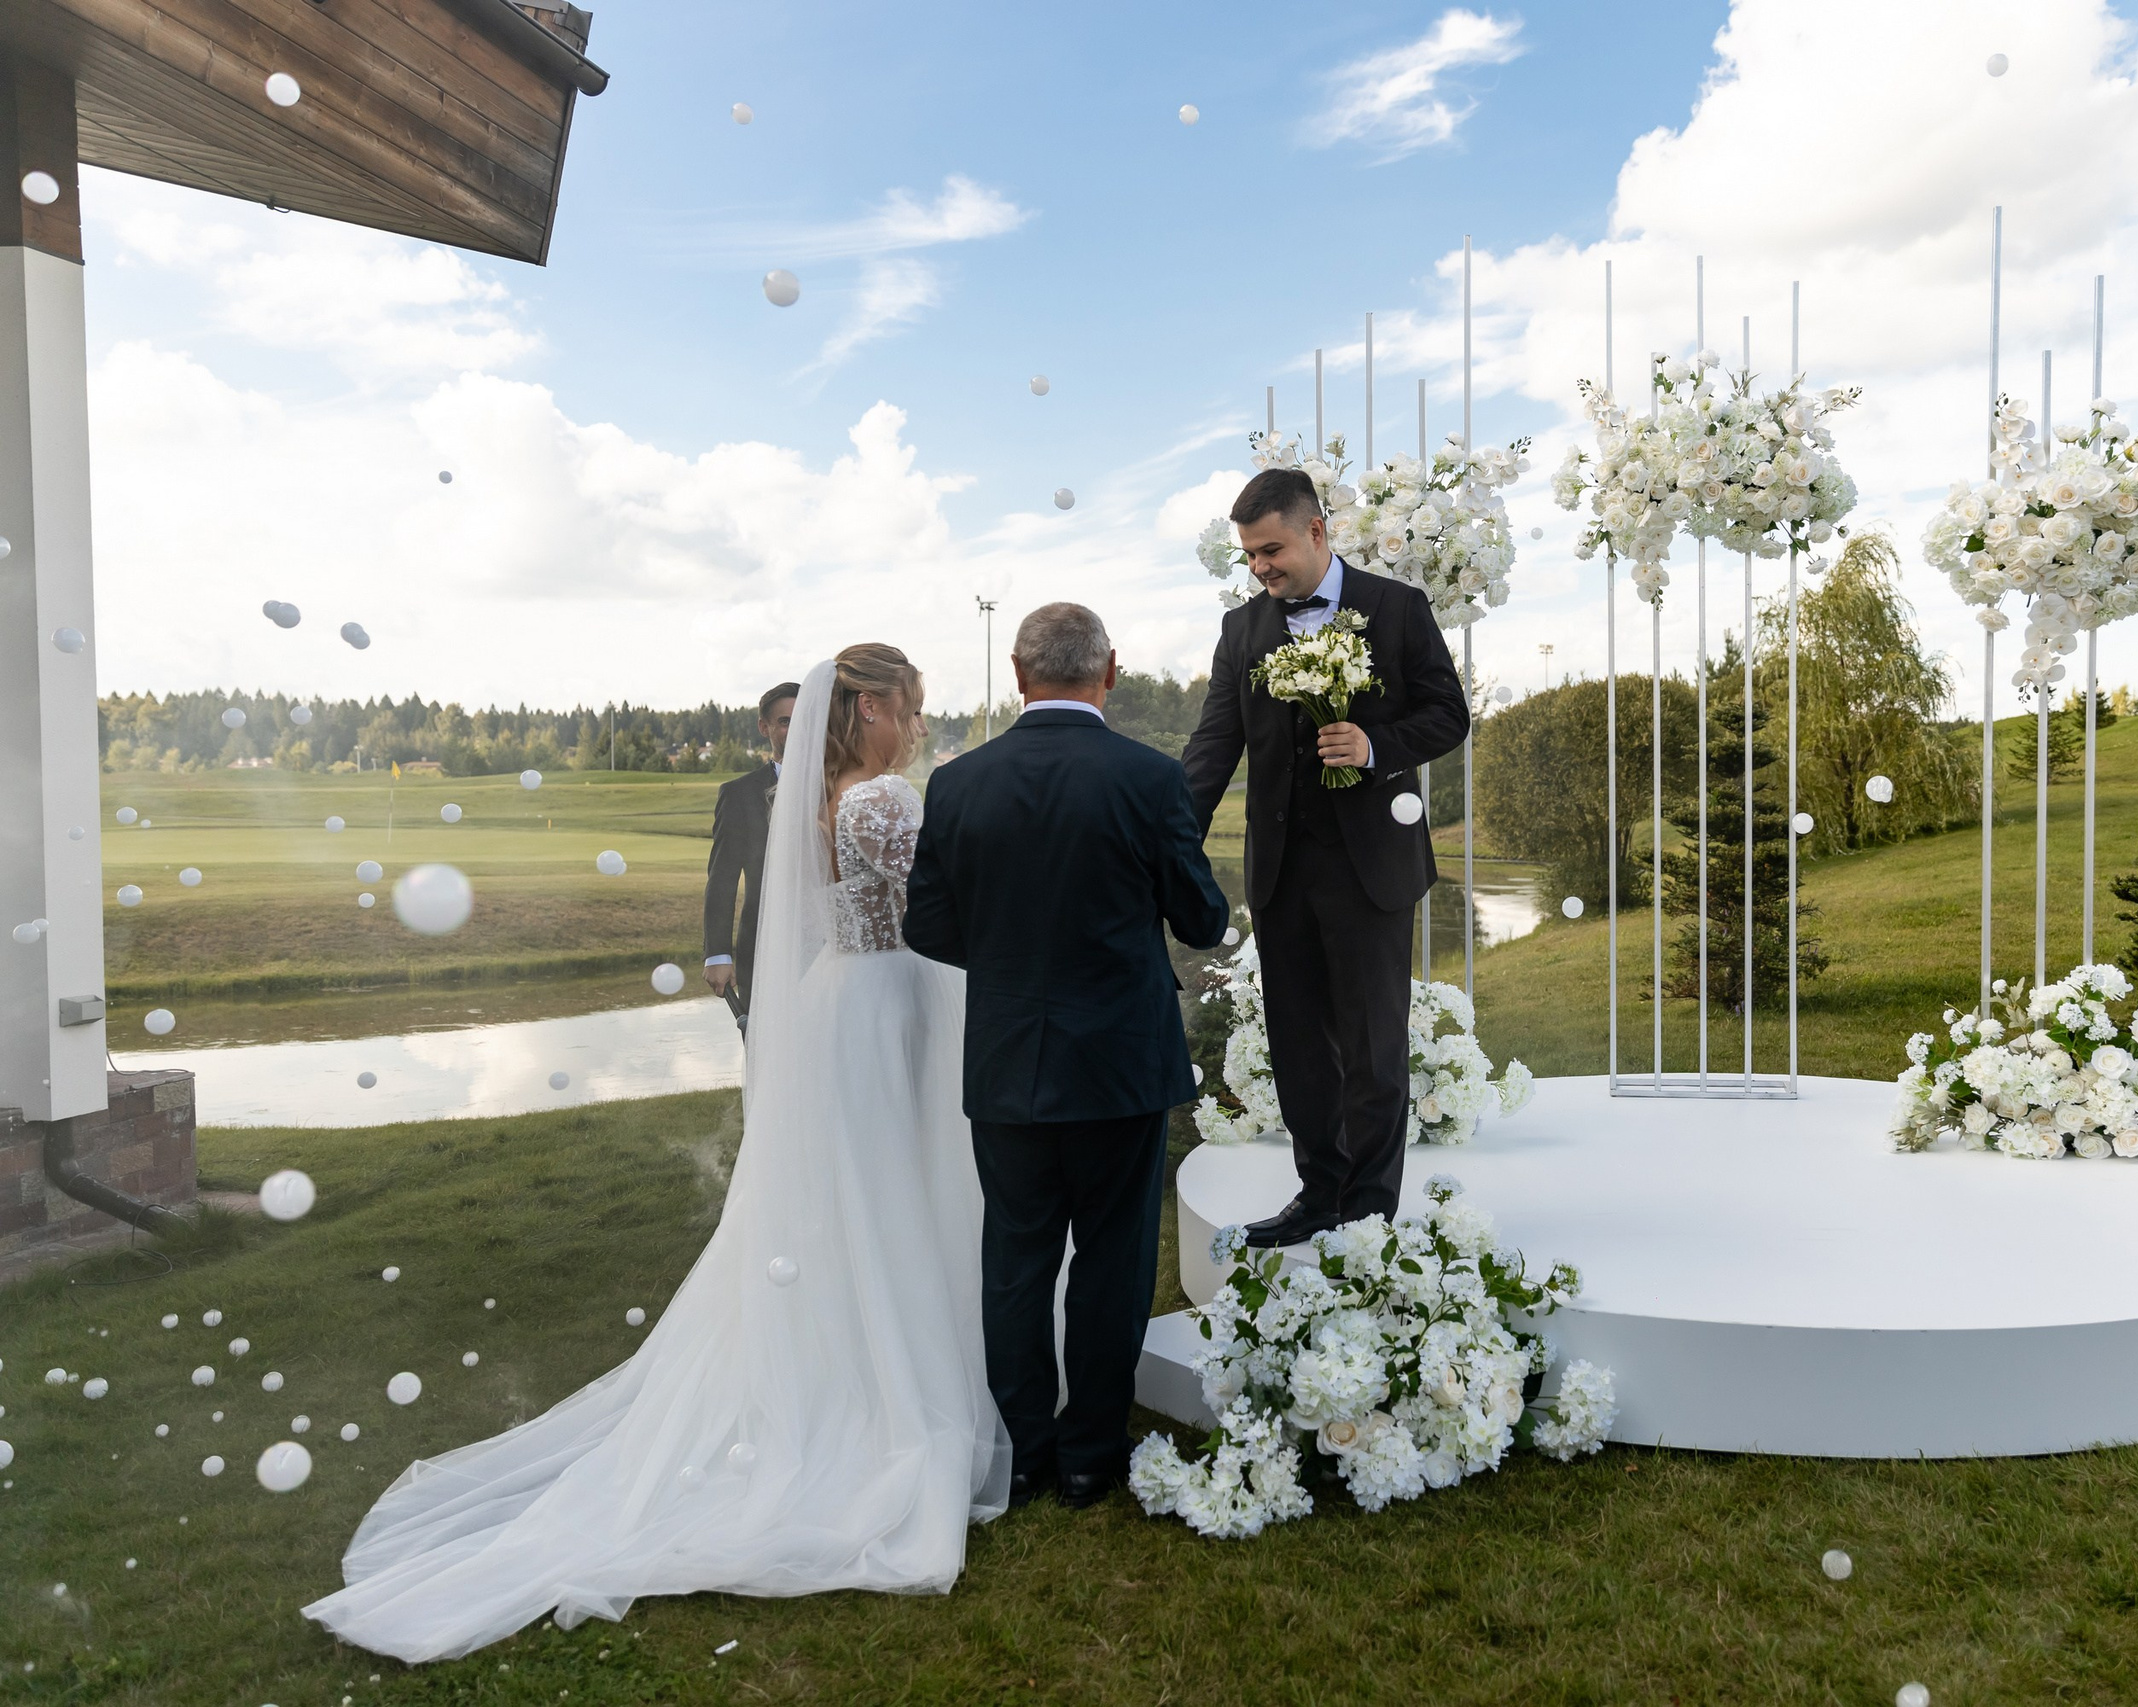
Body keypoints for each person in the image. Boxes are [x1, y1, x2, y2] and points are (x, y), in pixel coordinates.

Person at [304, 646, 1007, 1662]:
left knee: (855, 1194)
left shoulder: (818, 796)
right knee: (901, 1184)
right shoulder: (886, 799)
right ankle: (905, 1383)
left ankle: (861, 1351)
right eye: (913, 705)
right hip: (896, 995)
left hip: (838, 1001)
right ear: (874, 709)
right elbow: (937, 912)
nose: (922, 722)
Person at [906, 602, 1228, 1510]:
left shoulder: (958, 782)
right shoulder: (1149, 777)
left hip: (1008, 1058)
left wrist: (1014, 965)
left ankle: (1026, 1450)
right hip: (1122, 1064)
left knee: (1015, 1261)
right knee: (1113, 1261)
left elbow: (927, 923)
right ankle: (1091, 1454)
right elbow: (1202, 918)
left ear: (1017, 673)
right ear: (1111, 670)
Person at [1181, 469, 1469, 1248]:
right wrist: (1165, 830)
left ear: (1316, 531)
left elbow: (1449, 713)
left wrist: (1377, 746)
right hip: (1280, 868)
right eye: (1249, 555)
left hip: (1373, 867)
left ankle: (1369, 1213)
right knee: (1298, 1041)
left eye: (1270, 549)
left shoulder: (1397, 608)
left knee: (1374, 1045)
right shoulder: (1243, 630)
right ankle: (1317, 1194)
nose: (1260, 568)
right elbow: (1214, 745)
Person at [703, 681, 799, 1020]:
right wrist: (717, 954)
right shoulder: (739, 794)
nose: (797, 727)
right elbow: (722, 878)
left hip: (833, 949)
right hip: (761, 946)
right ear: (765, 727)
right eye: (786, 721)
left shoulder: (845, 785)